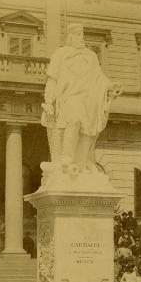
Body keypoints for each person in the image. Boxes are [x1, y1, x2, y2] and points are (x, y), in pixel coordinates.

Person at [41, 22, 122, 174]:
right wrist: (48, 101)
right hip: (68, 99)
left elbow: (100, 78)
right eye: (78, 35)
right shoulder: (60, 54)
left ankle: (79, 164)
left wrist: (111, 86)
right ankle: (67, 156)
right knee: (75, 117)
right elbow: (52, 79)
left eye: (82, 35)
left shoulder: (91, 56)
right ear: (70, 37)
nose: (81, 38)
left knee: (87, 129)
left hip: (89, 99)